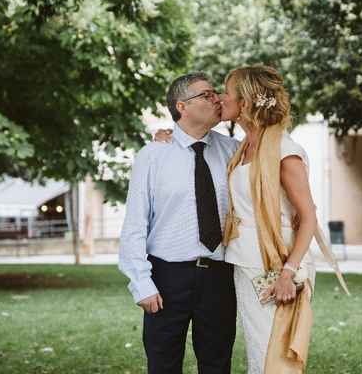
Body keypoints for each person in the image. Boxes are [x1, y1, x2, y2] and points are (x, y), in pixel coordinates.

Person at [155, 65, 348, 373]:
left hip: (277, 263)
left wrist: (289, 272)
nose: (220, 98)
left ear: (245, 101)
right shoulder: (241, 147)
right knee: (259, 352)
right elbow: (192, 143)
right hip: (243, 262)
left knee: (275, 357)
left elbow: (309, 215)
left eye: (226, 92)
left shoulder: (285, 150)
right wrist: (169, 135)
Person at [119, 72, 240, 374]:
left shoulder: (234, 151)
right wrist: (141, 284)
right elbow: (135, 224)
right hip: (166, 277)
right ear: (181, 106)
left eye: (216, 93)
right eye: (207, 94)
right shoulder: (152, 155)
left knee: (217, 365)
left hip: (220, 276)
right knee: (163, 365)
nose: (217, 98)